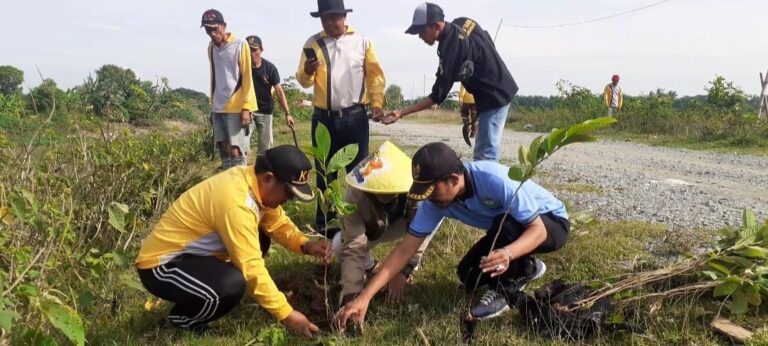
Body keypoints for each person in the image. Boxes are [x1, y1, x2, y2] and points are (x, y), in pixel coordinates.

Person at [335, 142, 570, 328]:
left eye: (432, 190)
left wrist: (508, 253)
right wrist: (364, 297)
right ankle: (528, 267)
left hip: (549, 223)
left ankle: (504, 292)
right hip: (508, 231)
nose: (429, 198)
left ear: (454, 179)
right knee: (467, 275)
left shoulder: (494, 179)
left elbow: (537, 230)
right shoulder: (435, 203)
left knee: (506, 224)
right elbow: (404, 250)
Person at [135, 145, 331, 337]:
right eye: (287, 194)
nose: (287, 201)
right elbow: (251, 268)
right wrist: (287, 315)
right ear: (268, 178)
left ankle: (211, 290)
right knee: (231, 286)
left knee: (260, 238)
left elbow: (276, 222)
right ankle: (184, 317)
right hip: (161, 266)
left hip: (194, 255)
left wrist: (305, 244)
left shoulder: (252, 182)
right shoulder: (236, 203)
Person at [380, 3, 518, 162]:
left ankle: (490, 186)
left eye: (422, 31)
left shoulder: (451, 49)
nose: (420, 36)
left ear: (436, 25)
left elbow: (437, 95)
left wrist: (401, 113)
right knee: (485, 152)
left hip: (494, 97)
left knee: (485, 156)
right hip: (499, 86)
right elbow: (486, 39)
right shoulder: (463, 21)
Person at [296, 0, 386, 235]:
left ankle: (365, 220)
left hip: (355, 117)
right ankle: (326, 222)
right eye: (325, 18)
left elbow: (374, 76)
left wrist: (377, 104)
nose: (330, 22)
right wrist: (307, 70)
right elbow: (303, 81)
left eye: (335, 17)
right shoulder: (313, 43)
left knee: (359, 173)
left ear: (344, 17)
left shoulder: (362, 42)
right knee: (325, 172)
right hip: (323, 119)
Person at [336, 141, 438, 305]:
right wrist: (352, 296)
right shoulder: (354, 196)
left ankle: (408, 269)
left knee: (432, 216)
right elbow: (354, 244)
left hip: (405, 225)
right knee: (338, 246)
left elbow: (422, 232)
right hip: (374, 228)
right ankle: (370, 266)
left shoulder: (415, 190)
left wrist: (403, 272)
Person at [201, 9, 257, 169]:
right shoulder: (211, 48)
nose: (212, 33)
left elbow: (247, 77)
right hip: (218, 107)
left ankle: (240, 188)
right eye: (207, 30)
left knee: (236, 151)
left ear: (224, 26)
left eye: (215, 29)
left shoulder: (240, 45)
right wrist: (212, 108)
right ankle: (227, 186)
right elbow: (215, 77)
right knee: (223, 150)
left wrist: (246, 107)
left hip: (236, 106)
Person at [245, 35, 296, 154]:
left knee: (266, 148)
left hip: (265, 111)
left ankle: (263, 170)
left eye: (254, 49)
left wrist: (287, 113)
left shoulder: (270, 68)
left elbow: (279, 91)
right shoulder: (242, 67)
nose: (251, 53)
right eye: (248, 50)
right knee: (243, 146)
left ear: (261, 50)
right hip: (248, 110)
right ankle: (244, 171)